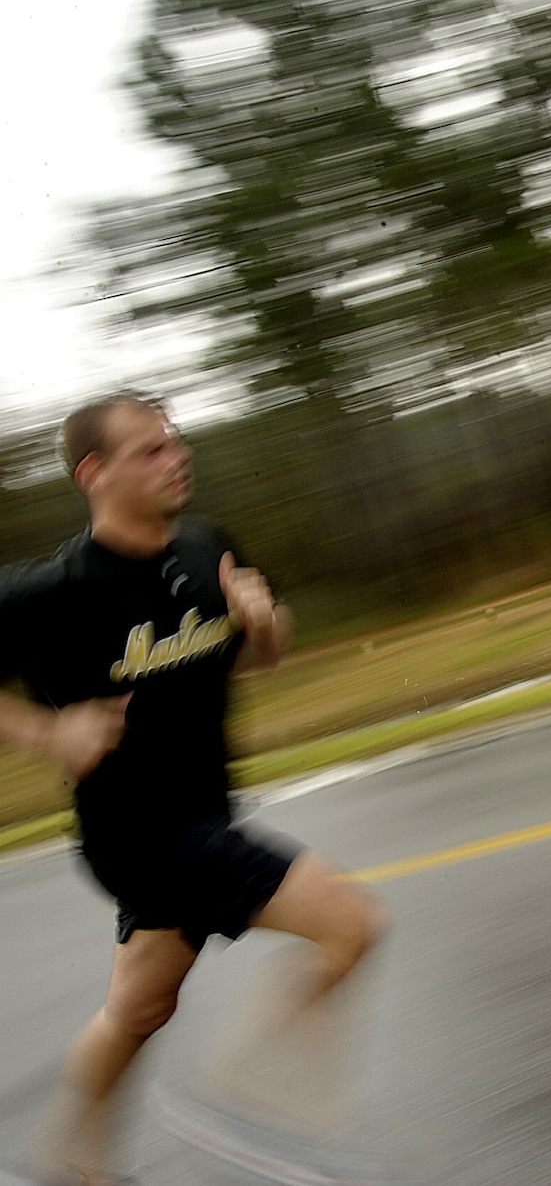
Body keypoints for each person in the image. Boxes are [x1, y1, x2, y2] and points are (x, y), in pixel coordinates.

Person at [0, 394, 386, 1185]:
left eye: (175, 442)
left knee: (139, 1010)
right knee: (354, 923)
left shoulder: (207, 543)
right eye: (149, 450)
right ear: (94, 473)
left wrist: (263, 618)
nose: (176, 456)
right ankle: (249, 1093)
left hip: (204, 810)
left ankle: (73, 1163)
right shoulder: (52, 591)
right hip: (138, 835)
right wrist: (50, 732)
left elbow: (266, 649)